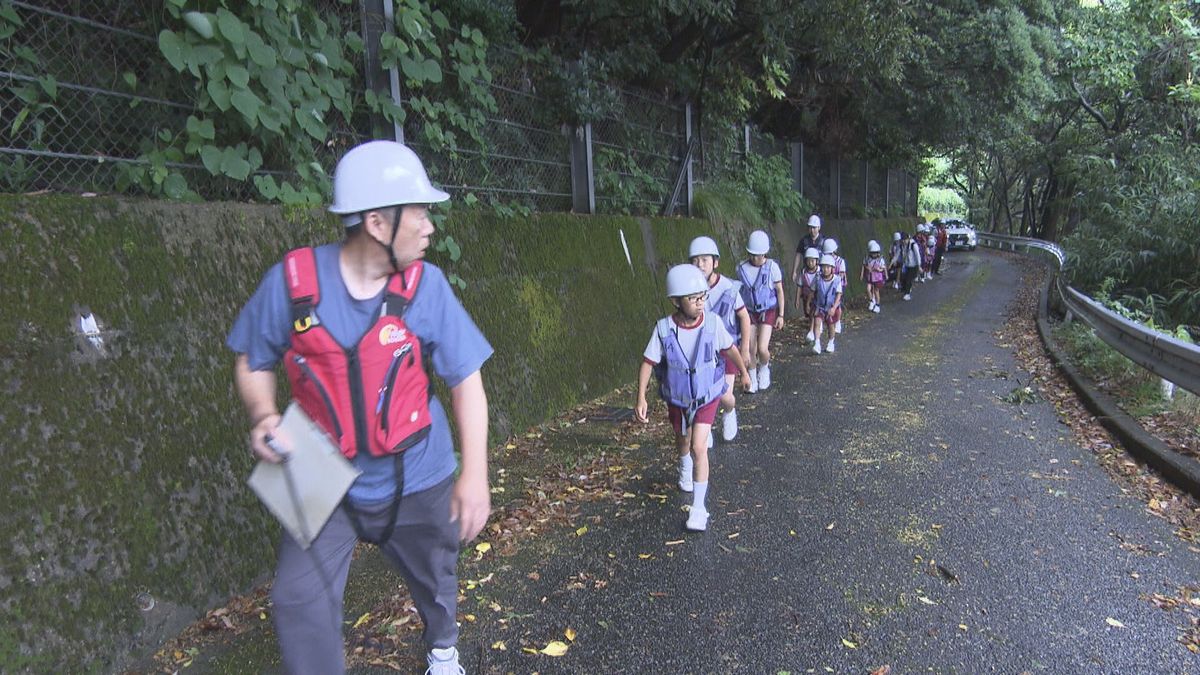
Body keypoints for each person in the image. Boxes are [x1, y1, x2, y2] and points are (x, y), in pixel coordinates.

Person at [227, 140, 492, 675]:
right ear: (377, 222)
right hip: (319, 469)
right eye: (418, 212)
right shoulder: (294, 282)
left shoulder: (428, 287)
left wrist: (475, 473)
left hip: (418, 468)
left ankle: (443, 646)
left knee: (436, 577)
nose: (429, 225)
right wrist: (263, 415)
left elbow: (467, 381)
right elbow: (253, 359)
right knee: (297, 600)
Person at [635, 264, 751, 532]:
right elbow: (648, 362)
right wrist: (641, 397)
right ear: (676, 301)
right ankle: (683, 463)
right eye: (693, 298)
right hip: (677, 399)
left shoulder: (713, 323)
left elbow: (729, 349)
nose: (700, 303)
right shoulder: (663, 329)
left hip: (706, 396)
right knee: (683, 441)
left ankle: (699, 508)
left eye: (703, 296)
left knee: (700, 447)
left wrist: (744, 372)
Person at [689, 236, 752, 442]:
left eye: (705, 260)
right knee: (701, 392)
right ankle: (703, 431)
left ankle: (730, 412)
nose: (700, 265)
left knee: (724, 396)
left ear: (715, 262)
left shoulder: (728, 287)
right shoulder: (689, 287)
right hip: (701, 352)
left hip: (727, 350)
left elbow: (743, 316)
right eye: (695, 260)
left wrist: (744, 349)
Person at [737, 230, 785, 391]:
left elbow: (779, 291)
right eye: (752, 254)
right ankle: (752, 377)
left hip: (768, 310)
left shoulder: (772, 267)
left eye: (758, 255)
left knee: (762, 348)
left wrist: (781, 315)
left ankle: (764, 367)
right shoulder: (741, 268)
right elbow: (737, 291)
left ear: (765, 253)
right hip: (749, 311)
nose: (755, 258)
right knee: (750, 347)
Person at [810, 254, 843, 354]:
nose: (825, 269)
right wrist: (808, 303)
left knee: (830, 326)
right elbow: (812, 291)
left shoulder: (837, 280)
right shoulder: (817, 278)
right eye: (823, 267)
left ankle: (831, 342)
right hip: (819, 306)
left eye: (828, 267)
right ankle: (817, 343)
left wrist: (834, 308)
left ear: (832, 268)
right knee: (817, 322)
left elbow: (839, 295)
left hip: (830, 307)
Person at [791, 213, 826, 296]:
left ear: (819, 227)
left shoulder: (824, 241)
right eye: (810, 227)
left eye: (814, 227)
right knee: (806, 294)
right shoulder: (804, 241)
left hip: (820, 273)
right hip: (807, 272)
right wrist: (794, 271)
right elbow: (798, 255)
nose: (812, 230)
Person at [821, 238, 846, 334]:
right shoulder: (824, 261)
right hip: (827, 284)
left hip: (837, 285)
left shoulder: (840, 261)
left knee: (837, 305)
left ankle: (838, 321)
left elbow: (841, 275)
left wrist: (835, 281)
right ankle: (824, 322)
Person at [892, 230, 922, 301]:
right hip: (906, 265)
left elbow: (918, 256)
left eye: (905, 240)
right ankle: (906, 290)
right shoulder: (901, 245)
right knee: (904, 278)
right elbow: (897, 254)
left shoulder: (913, 245)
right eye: (902, 240)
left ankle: (907, 294)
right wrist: (892, 262)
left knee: (909, 279)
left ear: (908, 238)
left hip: (913, 265)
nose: (904, 241)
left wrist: (919, 266)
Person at [798, 247, 820, 342]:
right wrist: (797, 299)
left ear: (816, 261)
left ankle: (811, 331)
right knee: (808, 313)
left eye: (812, 261)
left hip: (817, 297)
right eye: (808, 261)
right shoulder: (803, 273)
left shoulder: (820, 273)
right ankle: (814, 327)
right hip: (806, 296)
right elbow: (799, 285)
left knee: (813, 313)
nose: (810, 263)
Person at [861, 240, 886, 313]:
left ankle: (877, 305)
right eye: (872, 253)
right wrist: (867, 269)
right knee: (868, 289)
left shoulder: (880, 259)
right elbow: (865, 265)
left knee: (876, 291)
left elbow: (883, 268)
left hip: (877, 278)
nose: (874, 255)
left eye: (875, 253)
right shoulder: (868, 258)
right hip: (870, 277)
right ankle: (872, 300)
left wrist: (879, 269)